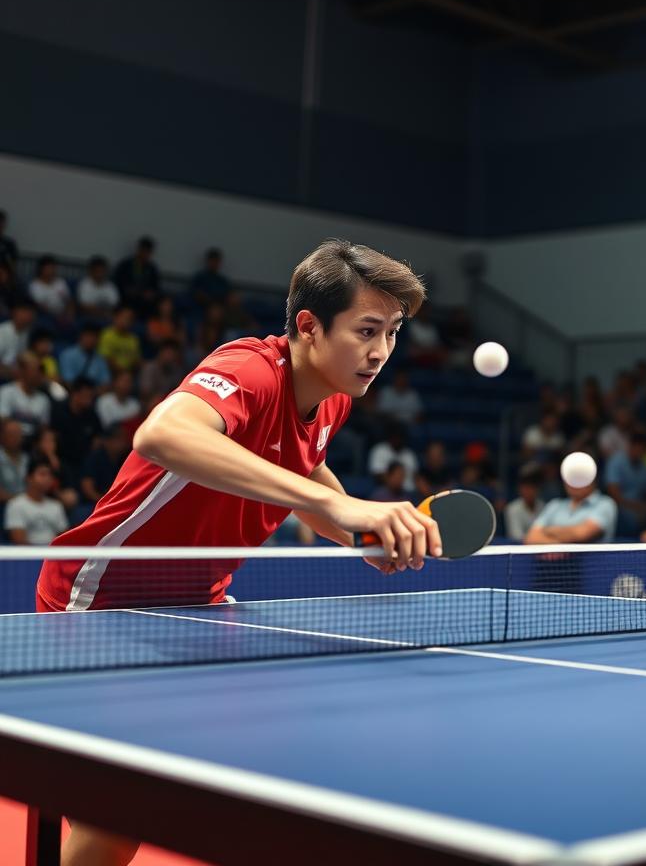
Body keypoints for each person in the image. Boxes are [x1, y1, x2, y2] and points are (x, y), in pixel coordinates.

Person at [37, 239, 443, 866]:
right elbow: (163, 433)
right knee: (126, 803)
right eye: (366, 330)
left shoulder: (331, 398)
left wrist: (357, 533)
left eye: (391, 333)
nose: (380, 352)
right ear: (308, 326)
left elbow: (307, 472)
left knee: (209, 775)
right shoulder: (251, 370)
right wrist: (341, 511)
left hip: (200, 604)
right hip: (105, 596)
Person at [523, 474, 616, 545]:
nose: (574, 481)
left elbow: (581, 534)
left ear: (592, 478)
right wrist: (559, 547)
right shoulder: (554, 505)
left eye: (579, 476)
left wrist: (547, 531)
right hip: (551, 568)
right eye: (570, 476)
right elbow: (530, 537)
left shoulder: (605, 504)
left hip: (592, 569)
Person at [4, 459, 68, 544]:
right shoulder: (15, 505)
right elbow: (19, 541)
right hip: (28, 555)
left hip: (53, 555)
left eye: (50, 475)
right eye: (42, 474)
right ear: (29, 478)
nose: (47, 478)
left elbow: (64, 538)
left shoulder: (56, 506)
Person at [113, 236, 161, 317]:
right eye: (143, 250)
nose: (144, 254)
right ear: (138, 249)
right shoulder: (126, 265)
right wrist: (129, 290)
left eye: (147, 252)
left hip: (144, 303)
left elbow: (155, 288)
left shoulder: (152, 269)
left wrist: (150, 293)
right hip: (126, 299)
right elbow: (118, 282)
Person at [58, 322, 112, 390]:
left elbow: (106, 382)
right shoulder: (67, 355)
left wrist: (92, 394)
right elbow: (68, 381)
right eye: (88, 336)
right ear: (81, 336)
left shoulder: (100, 359)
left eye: (95, 337)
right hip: (73, 395)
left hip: (95, 395)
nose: (91, 340)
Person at [503, 464, 547, 542]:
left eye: (532, 488)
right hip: (519, 550)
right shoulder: (512, 509)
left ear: (538, 489)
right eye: (526, 488)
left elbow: (547, 532)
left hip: (541, 547)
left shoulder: (543, 507)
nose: (529, 492)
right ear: (520, 489)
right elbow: (517, 537)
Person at [27, 255, 74, 323]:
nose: (51, 271)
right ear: (41, 269)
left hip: (64, 315)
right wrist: (57, 316)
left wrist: (69, 314)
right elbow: (40, 307)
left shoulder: (60, 282)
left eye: (53, 268)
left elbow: (69, 301)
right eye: (48, 268)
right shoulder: (34, 285)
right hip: (46, 316)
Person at [99, 306, 142, 374]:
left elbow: (136, 360)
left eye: (130, 319)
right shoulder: (107, 335)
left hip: (129, 374)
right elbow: (106, 359)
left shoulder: (133, 338)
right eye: (124, 317)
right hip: (110, 373)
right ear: (116, 318)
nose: (127, 321)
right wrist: (122, 372)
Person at [77, 256, 120, 322]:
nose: (100, 274)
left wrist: (99, 310)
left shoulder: (110, 286)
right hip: (88, 317)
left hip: (107, 318)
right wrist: (102, 312)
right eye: (97, 271)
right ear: (91, 271)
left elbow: (114, 305)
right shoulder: (84, 284)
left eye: (102, 271)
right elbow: (84, 307)